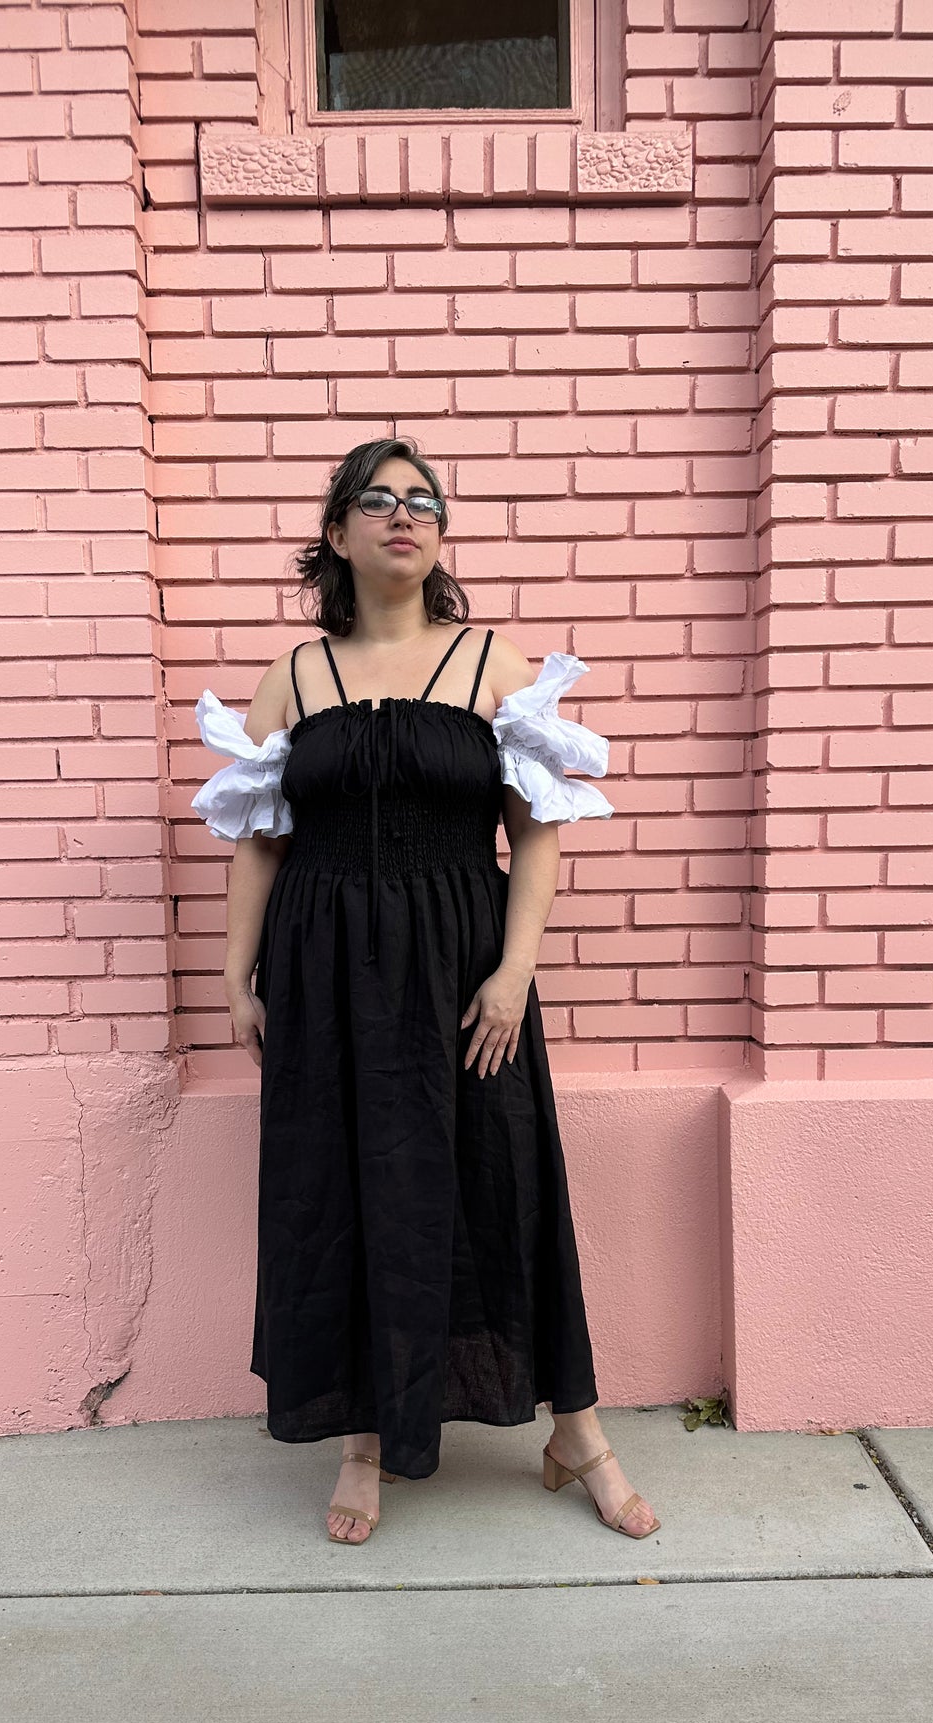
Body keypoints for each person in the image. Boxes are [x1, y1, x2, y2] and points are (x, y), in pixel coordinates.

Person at [192, 437, 659, 1547]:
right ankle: (363, 1444)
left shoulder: (493, 666)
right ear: (337, 533)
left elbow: (535, 834)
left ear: (439, 533)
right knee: (342, 1192)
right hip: (322, 972)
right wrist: (234, 973)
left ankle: (578, 1434)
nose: (403, 514)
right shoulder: (293, 677)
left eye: (422, 500)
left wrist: (514, 971)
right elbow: (259, 839)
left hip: (462, 965)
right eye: (377, 499)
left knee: (503, 1182)